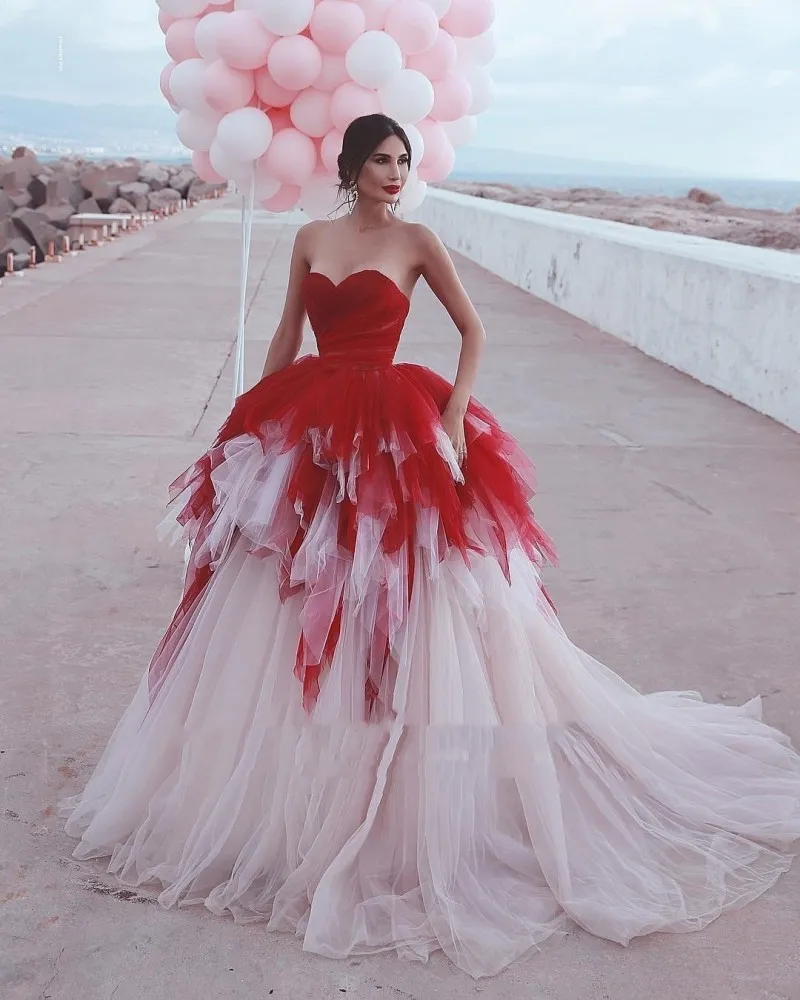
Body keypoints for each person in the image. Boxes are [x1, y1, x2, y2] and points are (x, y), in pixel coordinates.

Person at [59, 114, 800, 979]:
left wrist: (450, 421)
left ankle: (407, 788)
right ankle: (294, 791)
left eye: (404, 159)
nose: (396, 171)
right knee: (297, 591)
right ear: (350, 166)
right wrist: (253, 423)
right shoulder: (310, 237)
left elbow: (472, 331)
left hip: (396, 424)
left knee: (407, 592)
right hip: (313, 420)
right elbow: (287, 336)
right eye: (381, 159)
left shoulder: (417, 238)